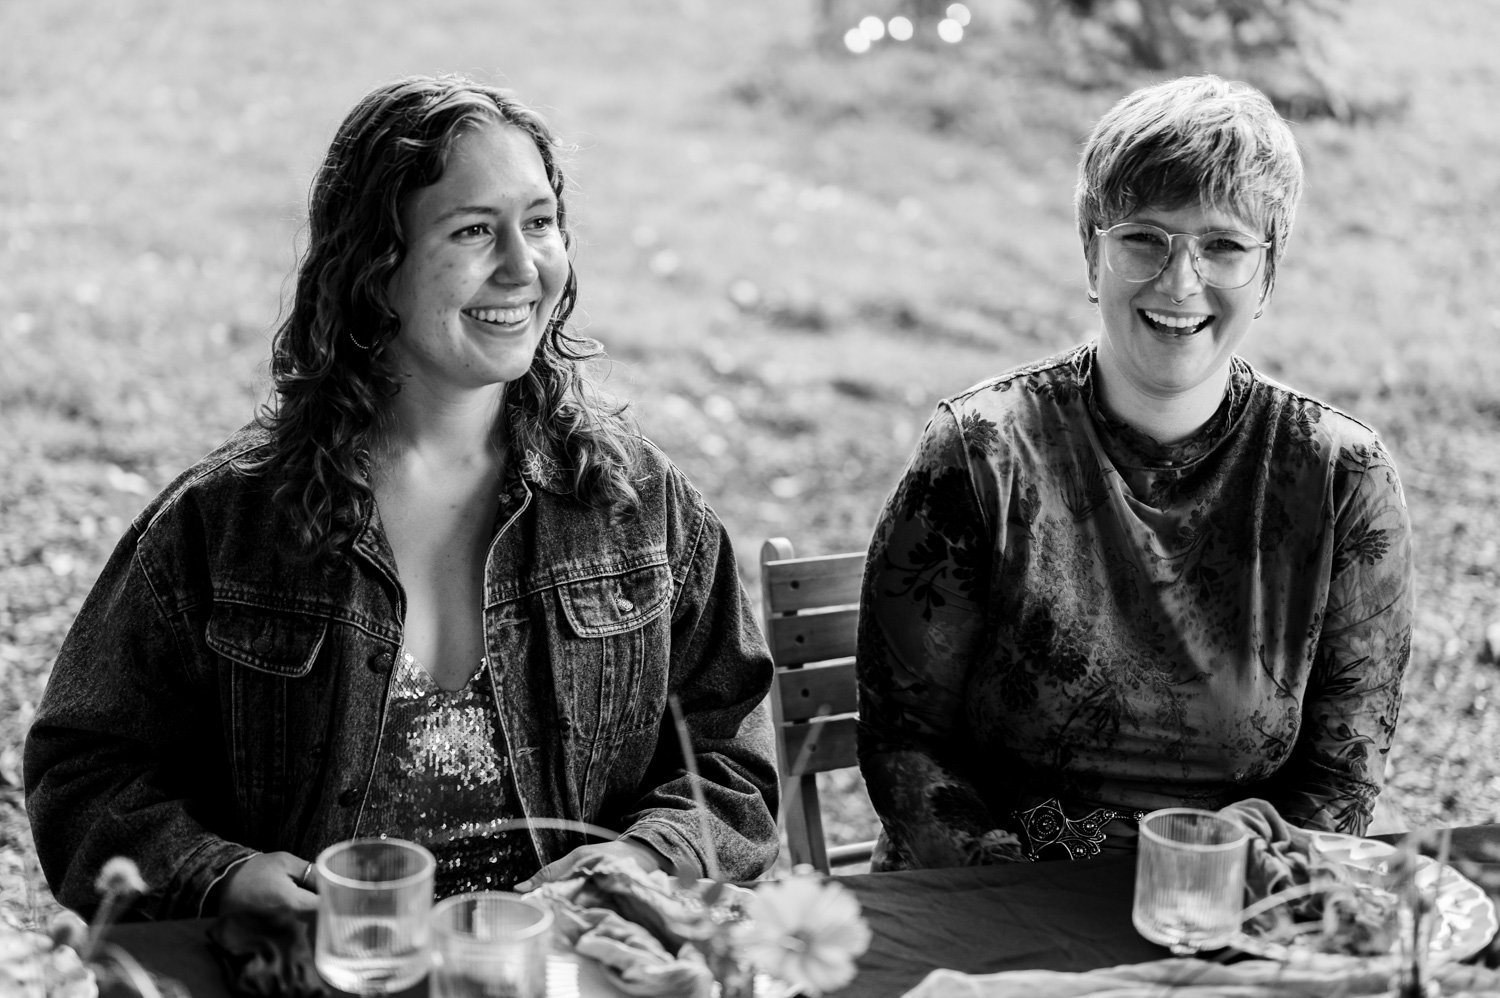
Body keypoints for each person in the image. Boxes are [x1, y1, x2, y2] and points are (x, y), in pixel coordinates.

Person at [25, 75, 779, 919]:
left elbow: (732, 761)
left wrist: (641, 862)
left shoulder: (637, 506)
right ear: (375, 267)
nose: (523, 267)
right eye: (471, 231)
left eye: (539, 222)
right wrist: (221, 876)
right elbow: (84, 774)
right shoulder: (225, 525)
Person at [856, 74, 1413, 871]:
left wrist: (1224, 894)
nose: (1180, 281)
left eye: (1222, 245)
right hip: (992, 906)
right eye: (1144, 237)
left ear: (1269, 272)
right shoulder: (981, 452)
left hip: (1227, 906)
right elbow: (905, 745)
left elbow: (1339, 778)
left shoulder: (1340, 479)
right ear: (1093, 252)